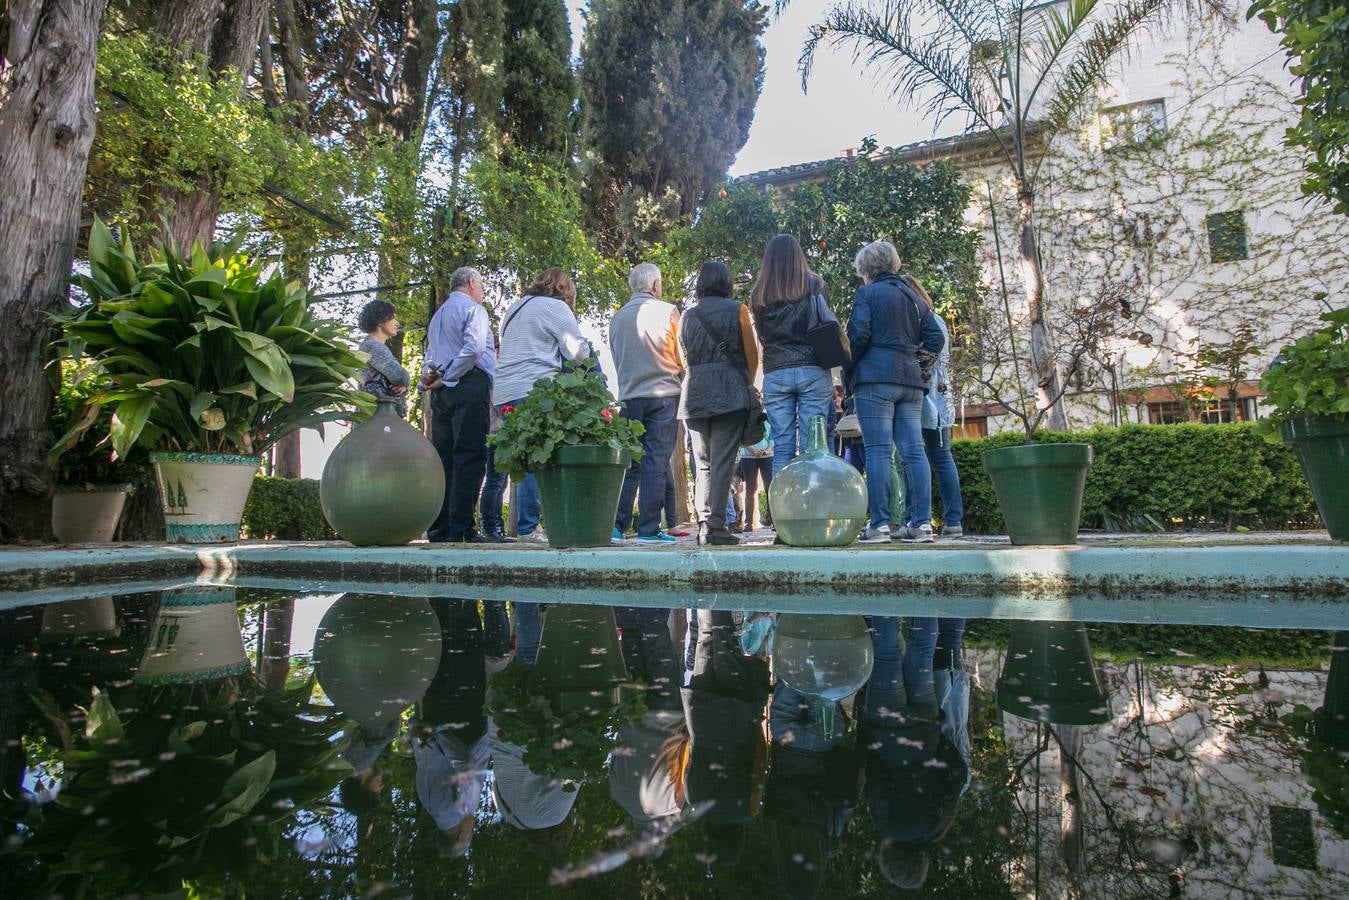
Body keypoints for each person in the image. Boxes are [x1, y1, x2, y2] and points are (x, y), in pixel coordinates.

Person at [844, 240, 944, 544]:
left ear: (866, 270)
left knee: (877, 450)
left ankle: (880, 524)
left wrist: (851, 368)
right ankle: (922, 524)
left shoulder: (867, 293)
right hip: (911, 381)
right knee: (913, 450)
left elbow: (858, 335)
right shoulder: (915, 297)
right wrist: (919, 364)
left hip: (875, 379)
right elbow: (935, 337)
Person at [493, 268, 593, 543]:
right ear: (565, 290)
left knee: (523, 457)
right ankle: (528, 527)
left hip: (503, 391)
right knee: (538, 457)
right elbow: (578, 352)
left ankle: (526, 526)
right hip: (534, 388)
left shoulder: (514, 307)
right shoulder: (555, 307)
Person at [678, 261, 760, 546]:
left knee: (702, 464)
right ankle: (716, 526)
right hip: (729, 394)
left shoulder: (687, 316)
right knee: (723, 461)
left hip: (694, 393)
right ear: (727, 283)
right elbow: (752, 357)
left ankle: (703, 524)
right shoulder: (738, 309)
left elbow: (683, 359)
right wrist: (744, 384)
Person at [422, 267, 502, 543]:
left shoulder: (439, 315)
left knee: (444, 458)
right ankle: (462, 528)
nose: (483, 292)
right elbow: (475, 348)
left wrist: (431, 378)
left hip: (441, 393)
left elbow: (431, 355)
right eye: (482, 285)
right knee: (469, 456)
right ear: (471, 283)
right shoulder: (474, 310)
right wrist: (449, 376)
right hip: (467, 384)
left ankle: (440, 528)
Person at [750, 234, 838, 477]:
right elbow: (823, 324)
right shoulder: (815, 285)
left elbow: (762, 336)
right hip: (812, 367)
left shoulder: (760, 293)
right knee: (814, 445)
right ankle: (814, 508)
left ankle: (783, 512)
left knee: (783, 447)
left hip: (776, 371)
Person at [610, 263, 684, 544]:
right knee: (656, 461)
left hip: (630, 396)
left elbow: (617, 358)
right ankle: (648, 529)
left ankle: (617, 526)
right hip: (664, 394)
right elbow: (681, 356)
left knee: (631, 463)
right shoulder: (667, 311)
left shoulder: (617, 318)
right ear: (655, 285)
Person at [905, 275, 965, 539]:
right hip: (939, 396)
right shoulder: (936, 320)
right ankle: (950, 520)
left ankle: (930, 518)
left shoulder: (923, 322)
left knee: (926, 456)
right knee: (938, 457)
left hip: (929, 395)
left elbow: (929, 358)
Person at [356, 299, 410, 418]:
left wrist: (403, 386)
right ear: (380, 320)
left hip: (377, 415)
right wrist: (404, 384)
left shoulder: (372, 345)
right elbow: (400, 376)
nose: (397, 323)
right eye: (392, 318)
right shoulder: (372, 346)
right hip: (378, 415)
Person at [737, 422, 773, 532]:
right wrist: (753, 450)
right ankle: (748, 523)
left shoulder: (768, 419)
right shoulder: (745, 418)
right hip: (748, 457)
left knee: (770, 488)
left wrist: (768, 450)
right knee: (750, 489)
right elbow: (741, 437)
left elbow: (772, 437)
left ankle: (774, 522)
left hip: (767, 456)